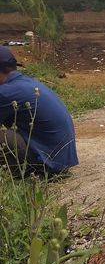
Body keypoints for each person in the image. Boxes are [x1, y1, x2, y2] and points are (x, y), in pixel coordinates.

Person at [0, 47, 78, 177]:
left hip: (48, 165)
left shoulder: (7, 92)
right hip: (60, 160)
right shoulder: (26, 83)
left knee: (4, 137)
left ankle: (26, 173)